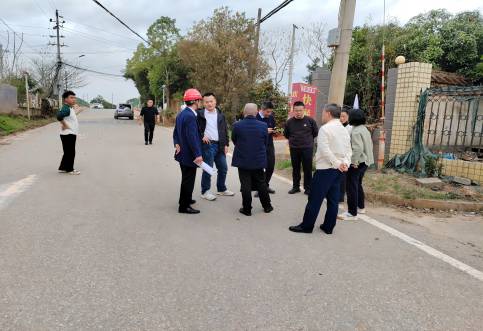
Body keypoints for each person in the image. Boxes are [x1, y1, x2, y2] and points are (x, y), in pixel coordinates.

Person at [289, 104, 351, 235]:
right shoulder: (343, 128)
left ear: (328, 113)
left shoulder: (325, 128)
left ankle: (307, 226)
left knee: (315, 198)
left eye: (323, 112)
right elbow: (348, 150)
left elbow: (324, 149)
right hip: (339, 169)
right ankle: (328, 227)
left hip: (326, 169)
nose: (322, 115)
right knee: (333, 200)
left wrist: (337, 163)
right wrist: (345, 163)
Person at [232, 103, 274, 216]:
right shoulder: (263, 126)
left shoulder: (237, 125)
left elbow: (234, 140)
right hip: (258, 160)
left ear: (244, 112)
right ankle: (267, 206)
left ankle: (247, 209)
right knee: (261, 183)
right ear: (256, 112)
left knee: (245, 184)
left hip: (243, 159)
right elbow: (265, 143)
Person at [197, 92, 234, 201]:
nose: (209, 104)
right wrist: (202, 135)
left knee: (223, 168)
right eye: (206, 102)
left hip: (220, 145)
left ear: (215, 101)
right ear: (203, 103)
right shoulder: (199, 114)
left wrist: (226, 144)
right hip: (208, 146)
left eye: (211, 101)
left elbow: (225, 130)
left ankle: (221, 189)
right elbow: (194, 128)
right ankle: (205, 191)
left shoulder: (220, 115)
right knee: (208, 169)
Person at [173, 88, 204, 214]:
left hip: (182, 153)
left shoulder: (182, 113)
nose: (201, 102)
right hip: (189, 155)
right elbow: (192, 138)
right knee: (188, 180)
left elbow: (175, 132)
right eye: (200, 100)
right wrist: (198, 154)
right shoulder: (190, 116)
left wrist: (176, 143)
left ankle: (187, 199)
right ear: (195, 101)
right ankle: (184, 206)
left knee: (186, 178)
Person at [339, 109, 374, 220]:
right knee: (357, 184)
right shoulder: (364, 129)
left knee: (351, 186)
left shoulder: (355, 131)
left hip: (358, 162)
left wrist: (354, 162)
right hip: (366, 161)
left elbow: (358, 148)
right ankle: (361, 207)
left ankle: (351, 213)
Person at [284, 101, 318, 195]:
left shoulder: (310, 120)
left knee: (307, 168)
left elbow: (315, 133)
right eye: (296, 110)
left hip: (307, 148)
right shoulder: (289, 122)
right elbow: (286, 134)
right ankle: (296, 187)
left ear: (304, 110)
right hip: (294, 148)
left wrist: (307, 141)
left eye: (300, 110)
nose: (298, 112)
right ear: (293, 110)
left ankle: (308, 188)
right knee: (296, 168)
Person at [57, 90, 80, 175]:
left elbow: (66, 117)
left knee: (67, 152)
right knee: (71, 152)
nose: (74, 99)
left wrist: (64, 123)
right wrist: (64, 124)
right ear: (65, 99)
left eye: (74, 98)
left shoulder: (68, 108)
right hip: (68, 134)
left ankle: (63, 167)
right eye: (71, 97)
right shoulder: (66, 108)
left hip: (68, 133)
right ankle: (70, 169)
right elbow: (59, 116)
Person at [256, 101, 276, 194]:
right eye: (267, 112)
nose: (269, 114)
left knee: (270, 166)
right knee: (259, 167)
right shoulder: (255, 118)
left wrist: (275, 131)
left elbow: (273, 129)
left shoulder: (271, 118)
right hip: (258, 146)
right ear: (262, 110)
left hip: (269, 145)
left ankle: (266, 185)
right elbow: (252, 133)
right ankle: (258, 188)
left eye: (270, 112)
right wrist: (264, 131)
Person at [338, 108, 352, 204]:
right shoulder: (337, 126)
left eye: (344, 116)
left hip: (346, 155)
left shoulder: (350, 128)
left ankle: (341, 196)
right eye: (340, 116)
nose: (342, 118)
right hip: (337, 155)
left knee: (343, 177)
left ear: (348, 117)